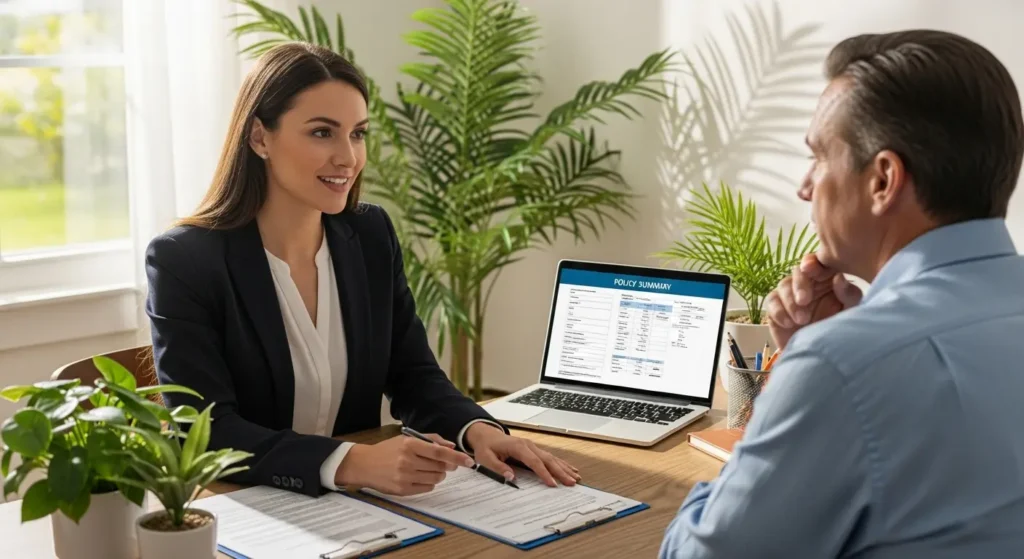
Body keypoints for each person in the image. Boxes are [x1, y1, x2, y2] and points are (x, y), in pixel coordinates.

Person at [145, 42, 580, 498]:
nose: (348, 157)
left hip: (361, 513)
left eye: (358, 133)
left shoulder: (369, 234)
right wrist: (350, 462)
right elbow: (206, 431)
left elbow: (414, 374)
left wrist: (477, 430)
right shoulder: (184, 260)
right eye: (321, 133)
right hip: (247, 509)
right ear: (259, 138)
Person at [660, 30, 1024, 558]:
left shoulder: (841, 365)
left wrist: (797, 371)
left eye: (817, 157)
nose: (804, 187)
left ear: (883, 181)